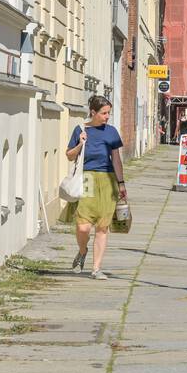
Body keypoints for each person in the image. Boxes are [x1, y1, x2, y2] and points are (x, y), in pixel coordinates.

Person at [63, 95, 127, 280]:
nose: (107, 116)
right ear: (93, 112)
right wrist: (81, 143)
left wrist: (121, 183)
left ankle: (96, 268)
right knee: (83, 227)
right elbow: (69, 155)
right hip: (87, 179)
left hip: (107, 180)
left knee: (102, 226)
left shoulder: (112, 132)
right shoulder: (80, 129)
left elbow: (116, 159)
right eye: (104, 113)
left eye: (109, 113)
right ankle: (83, 250)